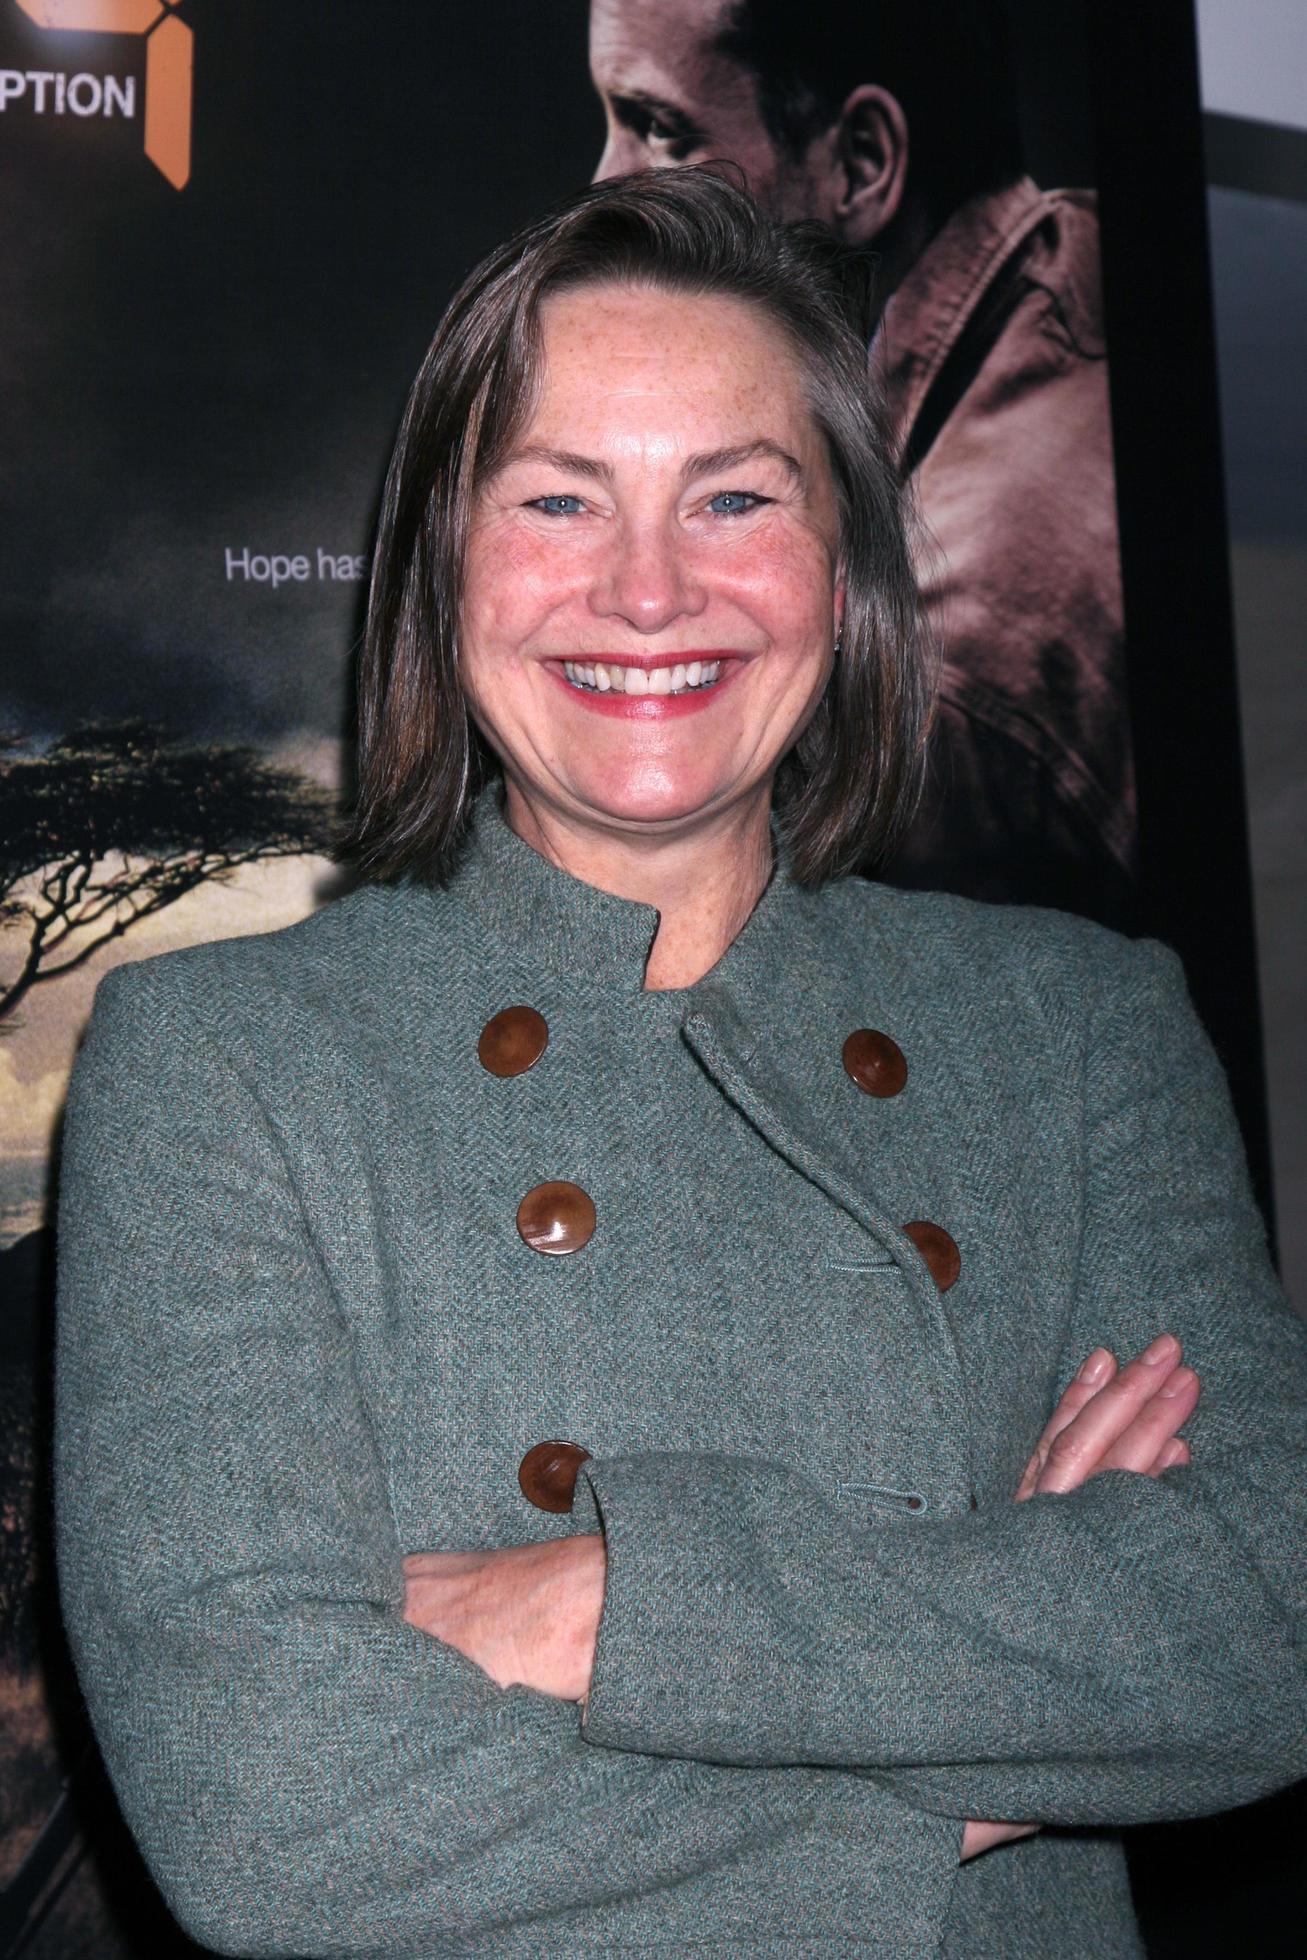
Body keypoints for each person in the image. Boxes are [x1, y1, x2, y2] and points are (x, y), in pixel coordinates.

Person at [55, 170, 1306, 1958]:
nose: (647, 591)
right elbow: (267, 1812)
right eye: (557, 499)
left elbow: (1264, 1625)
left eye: (733, 497)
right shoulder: (223, 1062)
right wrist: (1011, 1706)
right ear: (443, 566)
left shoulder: (1078, 1024)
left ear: (844, 571)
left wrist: (612, 1606)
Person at [590, 0, 1135, 925]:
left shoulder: (940, 683)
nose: (604, 183)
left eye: (661, 130)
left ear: (861, 163)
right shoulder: (1087, 257)